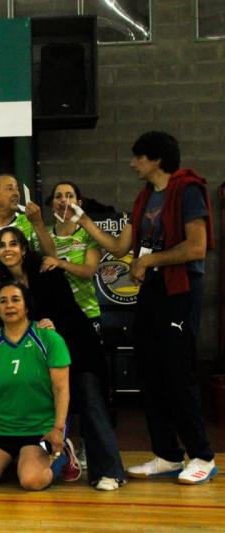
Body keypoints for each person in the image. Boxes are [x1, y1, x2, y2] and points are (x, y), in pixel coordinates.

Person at [75, 131, 217, 484]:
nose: (131, 163)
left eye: (137, 157)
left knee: (177, 374)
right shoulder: (143, 199)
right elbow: (121, 246)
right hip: (151, 295)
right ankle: (167, 454)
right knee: (149, 372)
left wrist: (151, 260)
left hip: (179, 293)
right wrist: (85, 222)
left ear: (155, 159)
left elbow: (197, 247)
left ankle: (202, 454)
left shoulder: (187, 190)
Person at [0, 227, 125, 489]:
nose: (8, 249)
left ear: (24, 249)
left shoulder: (46, 271)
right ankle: (55, 456)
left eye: (14, 243)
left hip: (77, 346)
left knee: (89, 400)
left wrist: (52, 324)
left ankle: (109, 471)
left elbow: (67, 310)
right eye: (2, 245)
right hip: (44, 355)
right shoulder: (5, 286)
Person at [0, 281, 70, 491]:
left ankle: (62, 453)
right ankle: (17, 459)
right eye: (3, 301)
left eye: (15, 300)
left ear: (27, 306)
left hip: (41, 429)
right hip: (3, 428)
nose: (9, 306)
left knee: (31, 481)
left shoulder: (49, 338)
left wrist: (58, 428)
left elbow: (61, 388)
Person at [0, 173, 56, 338]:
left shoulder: (27, 222)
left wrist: (38, 222)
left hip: (24, 315)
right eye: (10, 189)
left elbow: (51, 255)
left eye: (17, 189)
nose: (16, 193)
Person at [42, 182, 102, 324]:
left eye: (70, 196)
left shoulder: (88, 234)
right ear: (52, 204)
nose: (64, 200)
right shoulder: (42, 234)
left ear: (79, 203)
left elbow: (89, 271)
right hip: (53, 316)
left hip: (86, 312)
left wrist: (60, 263)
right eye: (58, 196)